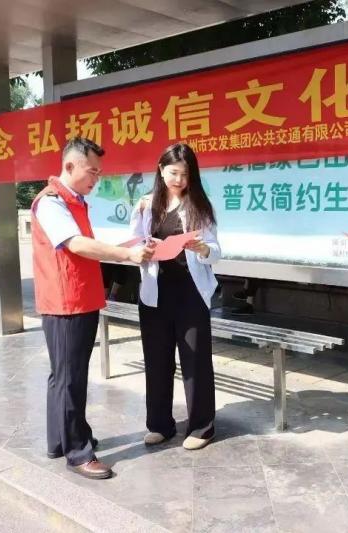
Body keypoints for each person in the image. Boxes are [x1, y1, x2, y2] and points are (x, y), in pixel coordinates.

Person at [32, 137, 153, 480]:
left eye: (99, 172)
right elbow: (77, 244)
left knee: (63, 375)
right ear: (70, 165)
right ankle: (78, 453)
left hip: (76, 297)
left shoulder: (73, 201)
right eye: (92, 171)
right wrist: (127, 254)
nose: (96, 179)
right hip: (66, 301)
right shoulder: (52, 202)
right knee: (70, 378)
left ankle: (60, 439)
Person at [130, 143, 221, 451]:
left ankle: (202, 427)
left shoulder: (200, 207)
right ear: (160, 170)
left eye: (185, 174)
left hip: (190, 293)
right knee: (157, 360)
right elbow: (134, 241)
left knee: (195, 361)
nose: (179, 180)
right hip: (155, 293)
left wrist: (204, 249)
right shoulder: (146, 205)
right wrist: (142, 247)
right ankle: (160, 425)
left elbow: (216, 250)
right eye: (173, 173)